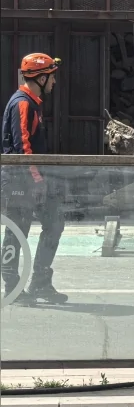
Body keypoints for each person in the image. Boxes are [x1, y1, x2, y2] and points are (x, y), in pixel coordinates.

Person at [1, 54, 67, 304]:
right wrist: (38, 180)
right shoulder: (22, 103)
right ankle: (12, 288)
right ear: (41, 77)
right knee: (16, 233)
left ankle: (40, 282)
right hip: (19, 180)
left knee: (54, 223)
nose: (54, 82)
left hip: (32, 178)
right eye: (52, 76)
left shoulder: (33, 102)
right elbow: (22, 147)